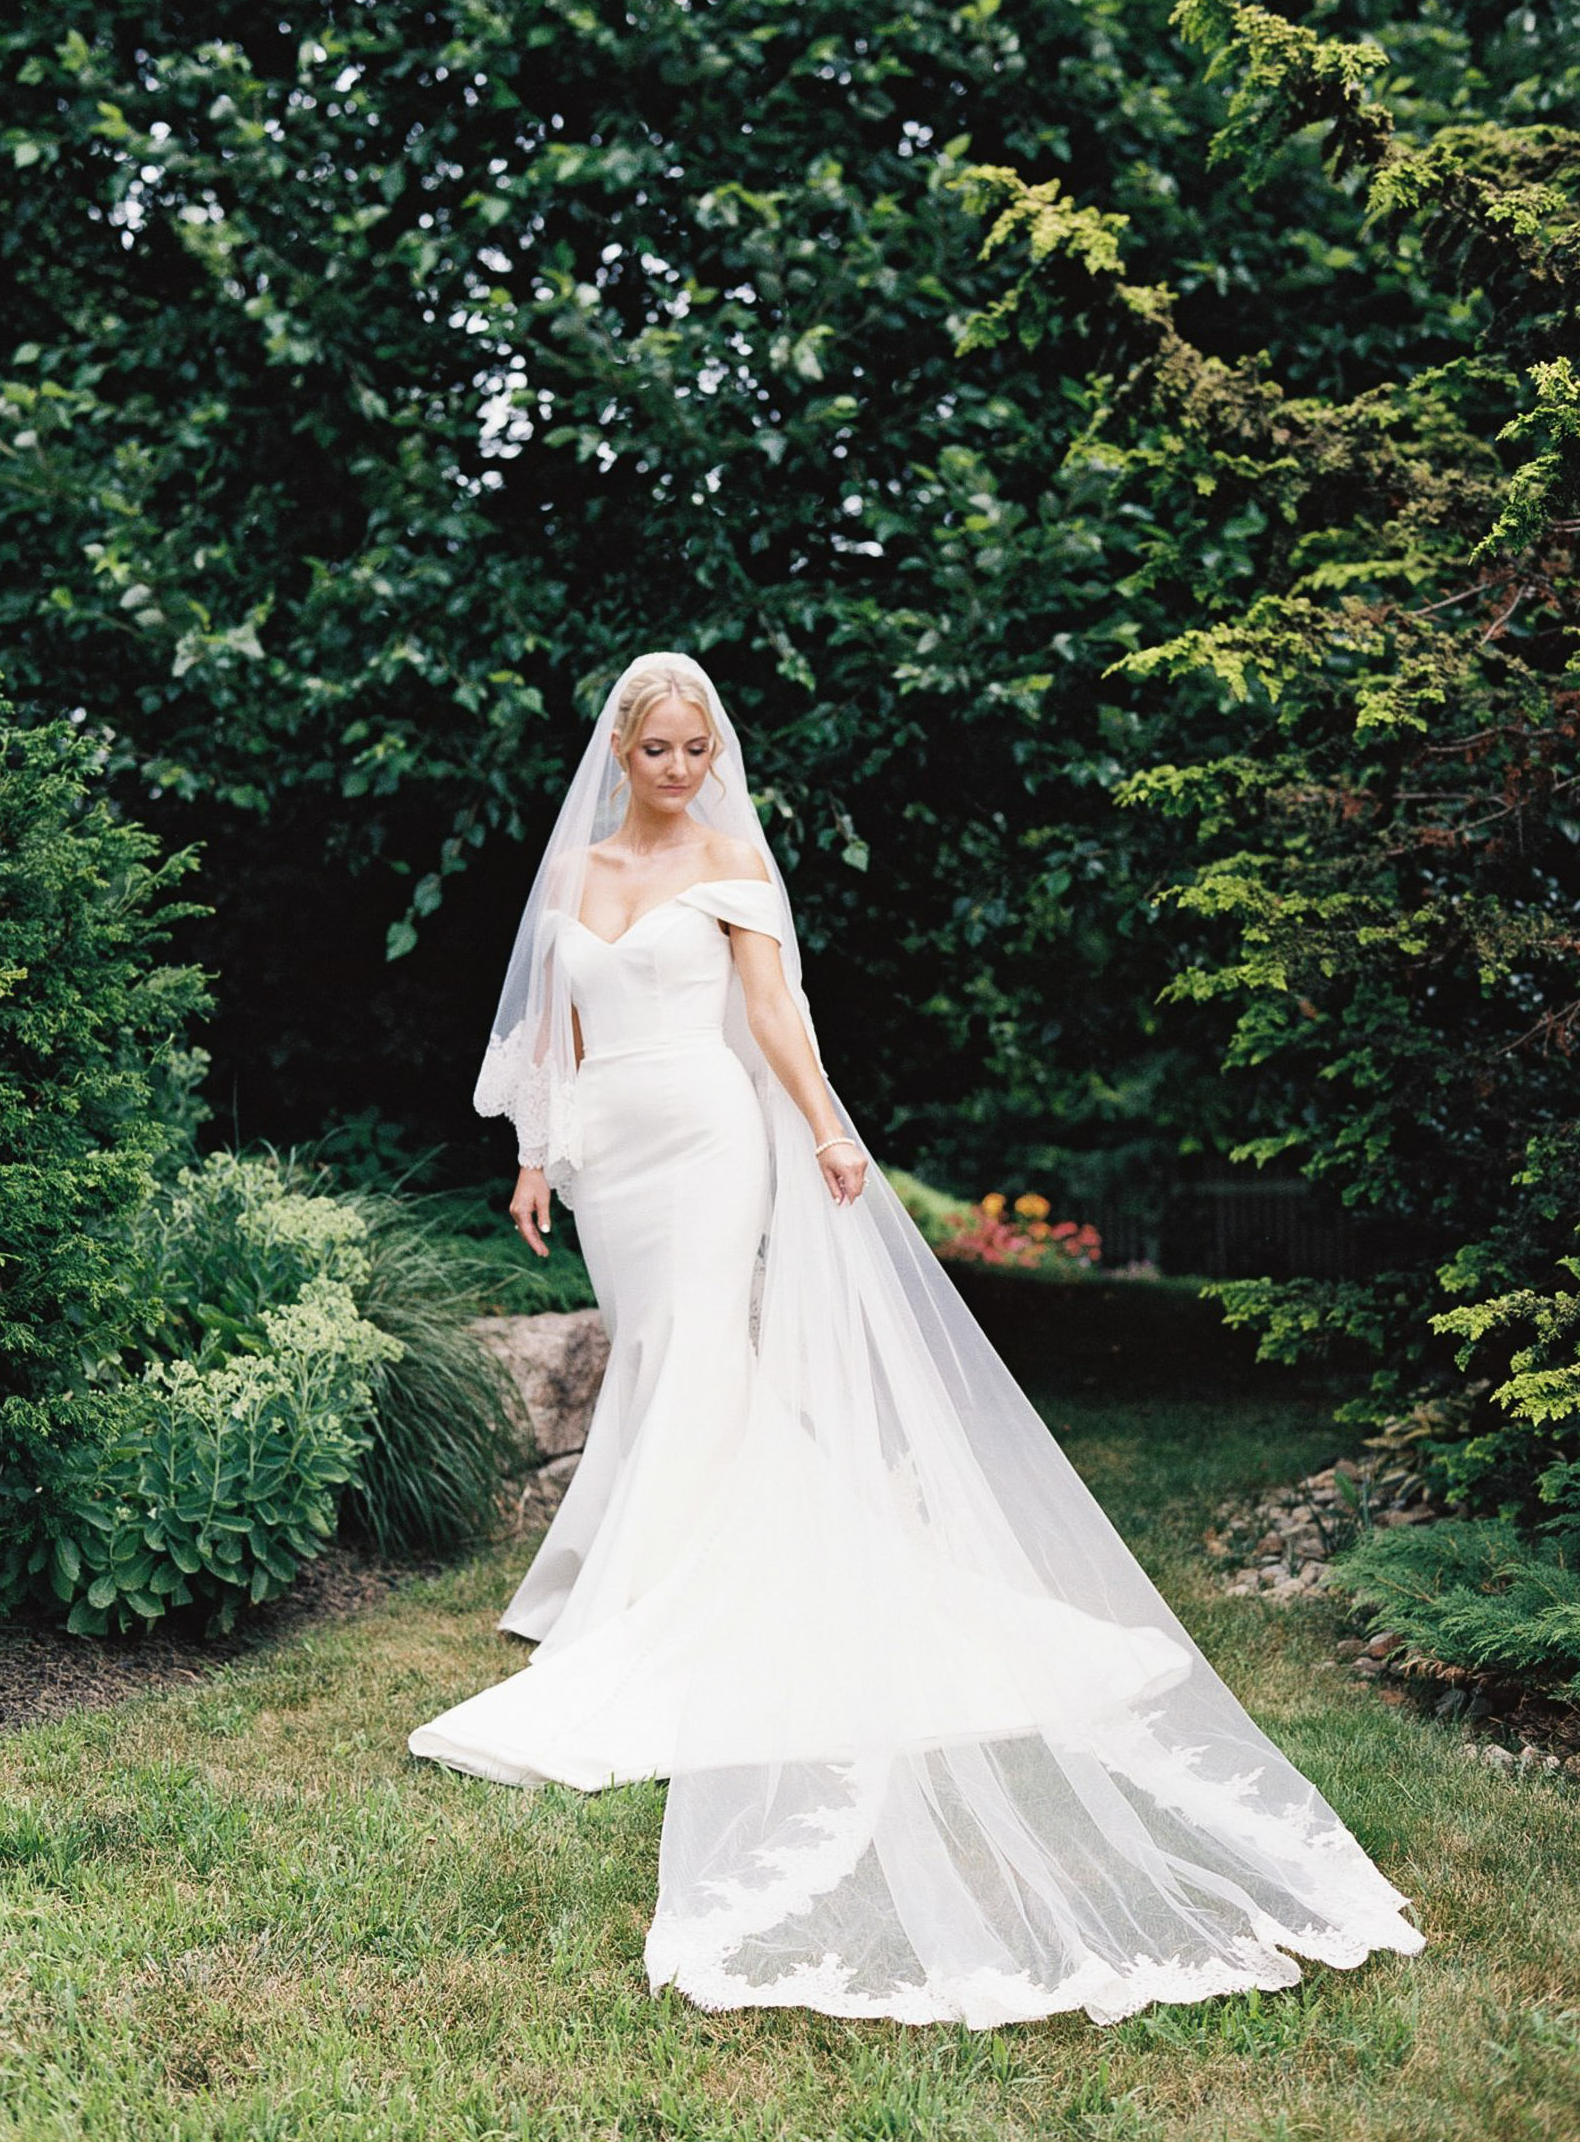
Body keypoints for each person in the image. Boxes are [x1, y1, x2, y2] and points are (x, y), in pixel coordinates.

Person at [408, 650, 1427, 2029]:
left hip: (712, 1141)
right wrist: (537, 1156)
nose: (682, 770)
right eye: (660, 750)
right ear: (620, 748)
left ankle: (672, 1605)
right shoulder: (578, 875)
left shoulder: (732, 864)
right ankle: (648, 1585)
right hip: (615, 1164)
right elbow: (556, 1028)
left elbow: (772, 1014)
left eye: (699, 750)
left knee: (706, 1346)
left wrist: (826, 1127)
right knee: (653, 1354)